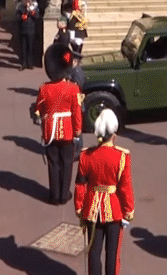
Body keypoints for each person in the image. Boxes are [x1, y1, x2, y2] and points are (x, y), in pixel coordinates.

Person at [75, 109, 135, 275]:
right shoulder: (122, 156)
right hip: (114, 210)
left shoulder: (85, 155)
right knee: (112, 254)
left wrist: (79, 207)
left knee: (94, 252)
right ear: (113, 134)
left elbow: (80, 184)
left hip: (92, 210)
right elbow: (125, 187)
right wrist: (128, 210)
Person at [34, 44, 84, 205]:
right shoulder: (73, 89)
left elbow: (39, 110)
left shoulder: (44, 89)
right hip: (68, 130)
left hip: (50, 131)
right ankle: (64, 194)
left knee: (53, 163)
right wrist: (77, 130)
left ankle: (54, 195)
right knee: (67, 163)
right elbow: (76, 112)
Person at [16, 0, 41, 70]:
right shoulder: (20, 8)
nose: (27, 3)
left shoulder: (33, 8)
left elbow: (37, 17)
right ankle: (23, 63)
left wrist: (33, 14)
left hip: (31, 30)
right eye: (26, 1)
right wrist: (21, 17)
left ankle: (29, 63)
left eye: (28, 1)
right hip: (22, 30)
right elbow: (17, 18)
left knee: (30, 47)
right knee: (23, 48)